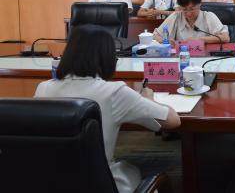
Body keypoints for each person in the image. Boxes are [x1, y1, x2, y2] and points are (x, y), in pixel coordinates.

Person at [34, 25, 181, 193]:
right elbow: (173, 120)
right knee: (140, 170)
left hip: (51, 183)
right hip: (100, 184)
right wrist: (148, 99)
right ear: (107, 59)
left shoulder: (43, 89)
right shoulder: (114, 92)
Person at [153, 0, 229, 45]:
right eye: (184, 9)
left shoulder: (208, 16)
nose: (188, 13)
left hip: (205, 58)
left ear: (200, 4)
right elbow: (155, 35)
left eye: (192, 9)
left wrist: (200, 40)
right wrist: (165, 41)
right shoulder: (176, 16)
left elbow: (225, 37)